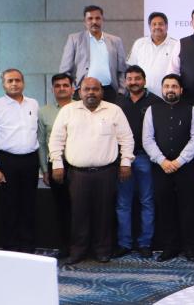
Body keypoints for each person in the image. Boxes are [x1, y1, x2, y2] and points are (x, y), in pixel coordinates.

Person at [49, 77, 134, 265]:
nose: (91, 93)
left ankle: (102, 250)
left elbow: (127, 139)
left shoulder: (114, 111)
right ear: (79, 92)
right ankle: (78, 251)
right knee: (78, 214)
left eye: (95, 89)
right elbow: (56, 139)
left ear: (101, 92)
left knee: (104, 213)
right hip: (77, 174)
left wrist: (126, 162)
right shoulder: (68, 111)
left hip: (106, 172)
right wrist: (57, 164)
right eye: (87, 89)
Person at [143, 74, 194, 262]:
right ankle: (170, 247)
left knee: (187, 208)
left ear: (181, 90)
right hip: (161, 168)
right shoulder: (152, 110)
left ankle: (190, 247)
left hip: (185, 168)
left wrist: (179, 161)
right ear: (162, 89)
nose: (170, 89)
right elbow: (147, 139)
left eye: (174, 86)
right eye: (167, 86)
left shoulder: (191, 110)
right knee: (165, 208)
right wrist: (162, 161)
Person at [0, 68, 40, 253]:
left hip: (30, 161)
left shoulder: (33, 104)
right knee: (9, 205)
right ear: (3, 84)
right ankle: (11, 247)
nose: (14, 83)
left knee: (29, 204)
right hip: (6, 161)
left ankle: (28, 246)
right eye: (10, 81)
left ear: (23, 82)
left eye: (17, 80)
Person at [112, 65, 161, 259]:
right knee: (123, 202)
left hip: (145, 158)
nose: (133, 82)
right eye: (130, 79)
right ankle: (124, 243)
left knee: (147, 201)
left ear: (144, 80)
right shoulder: (117, 103)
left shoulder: (155, 102)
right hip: (123, 159)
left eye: (137, 78)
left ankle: (145, 243)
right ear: (125, 81)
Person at [59, 5, 127, 103]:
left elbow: (122, 70)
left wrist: (121, 92)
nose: (94, 22)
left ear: (102, 20)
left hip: (109, 92)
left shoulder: (116, 41)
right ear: (85, 22)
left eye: (97, 18)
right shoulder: (74, 39)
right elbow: (64, 71)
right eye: (90, 18)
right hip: (83, 91)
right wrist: (74, 89)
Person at [39, 73, 74, 259]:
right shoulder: (44, 111)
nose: (62, 88)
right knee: (62, 207)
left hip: (78, 165)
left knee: (80, 207)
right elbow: (41, 143)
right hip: (56, 165)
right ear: (52, 89)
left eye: (65, 85)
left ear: (72, 88)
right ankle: (66, 246)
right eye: (58, 86)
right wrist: (45, 170)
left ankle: (83, 245)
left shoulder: (81, 107)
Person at [127, 12, 180, 98]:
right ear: (149, 26)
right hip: (143, 95)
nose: (157, 27)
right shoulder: (139, 43)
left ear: (166, 26)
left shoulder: (176, 45)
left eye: (160, 24)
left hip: (167, 95)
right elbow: (132, 69)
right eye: (154, 24)